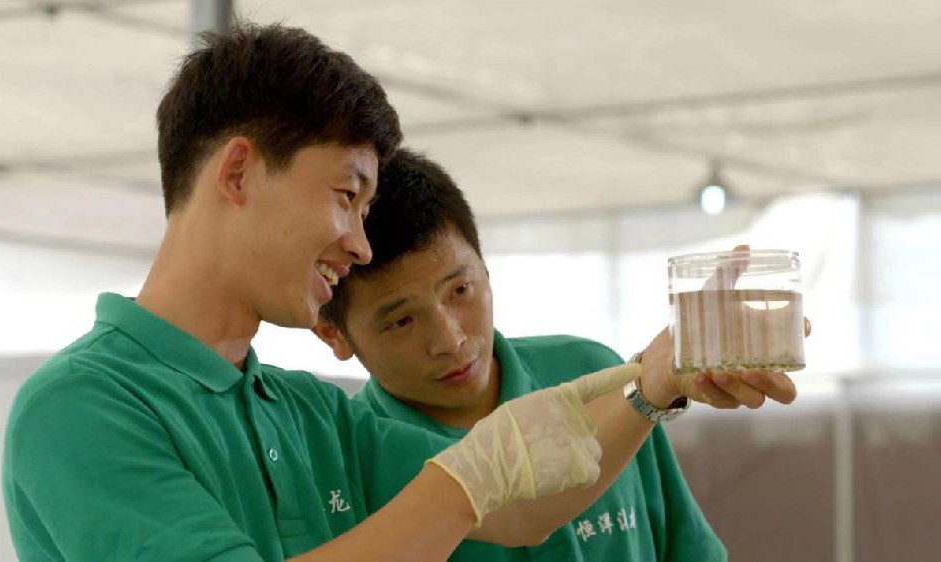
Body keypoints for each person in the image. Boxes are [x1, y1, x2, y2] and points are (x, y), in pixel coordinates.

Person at [1, 24, 716, 562]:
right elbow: (476, 492)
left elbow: (521, 514)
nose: (360, 246)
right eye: (347, 196)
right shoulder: (82, 406)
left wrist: (655, 383)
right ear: (238, 173)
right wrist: (467, 480)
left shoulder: (308, 412)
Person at [315, 148, 806, 561]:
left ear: (485, 266)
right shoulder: (353, 463)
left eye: (460, 290)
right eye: (402, 321)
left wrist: (656, 382)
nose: (451, 339)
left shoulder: (595, 370)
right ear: (333, 333)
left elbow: (687, 548)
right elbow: (525, 516)